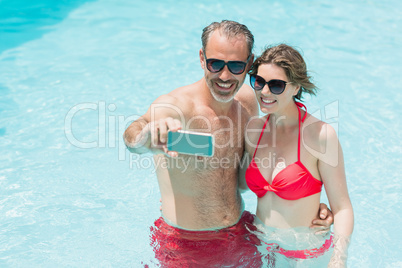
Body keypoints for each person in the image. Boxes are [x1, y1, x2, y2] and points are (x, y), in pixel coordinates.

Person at [124, 21, 333, 267]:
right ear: (202, 59)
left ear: (248, 63)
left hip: (242, 232)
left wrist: (306, 206)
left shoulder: (246, 102)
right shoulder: (177, 107)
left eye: (235, 66)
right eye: (215, 64)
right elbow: (134, 137)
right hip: (187, 243)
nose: (224, 76)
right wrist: (148, 135)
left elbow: (247, 178)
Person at [241, 44, 354, 267]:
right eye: (259, 81)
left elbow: (342, 208)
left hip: (303, 256)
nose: (264, 92)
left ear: (295, 87)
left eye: (276, 85)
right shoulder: (254, 130)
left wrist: (338, 260)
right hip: (259, 248)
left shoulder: (320, 135)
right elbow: (238, 185)